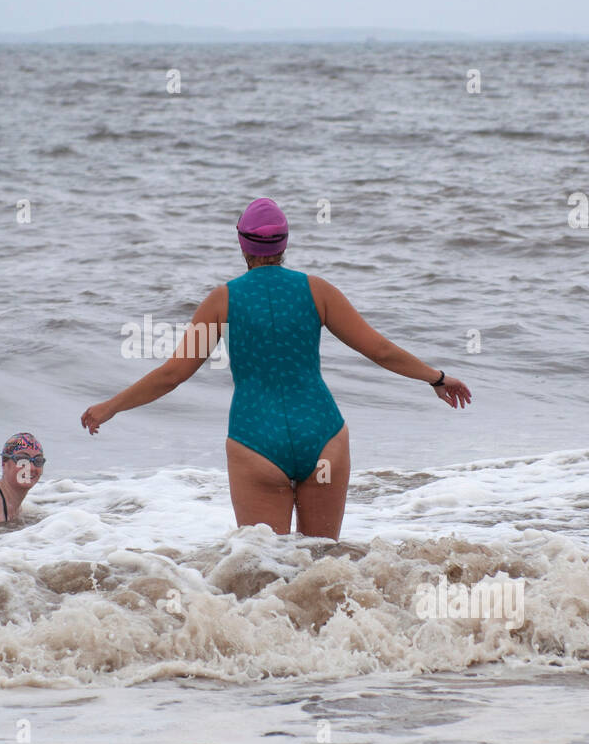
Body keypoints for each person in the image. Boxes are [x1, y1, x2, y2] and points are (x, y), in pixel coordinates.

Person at [81, 197, 471, 541]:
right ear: (285, 243)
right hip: (322, 437)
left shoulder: (222, 300)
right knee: (325, 569)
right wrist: (436, 377)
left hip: (255, 442)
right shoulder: (318, 291)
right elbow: (381, 351)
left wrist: (112, 406)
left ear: (241, 243)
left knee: (262, 574)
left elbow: (173, 373)